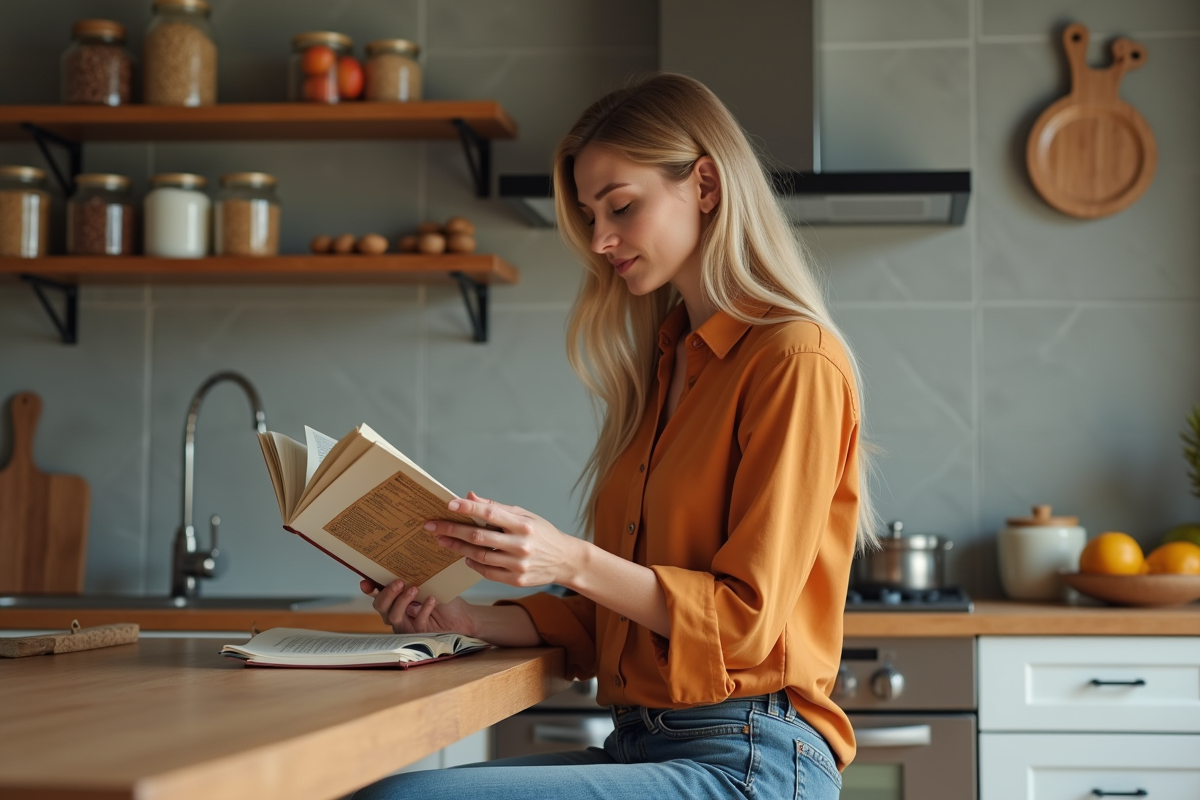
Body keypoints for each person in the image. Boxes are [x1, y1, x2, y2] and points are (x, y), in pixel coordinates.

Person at [352, 72, 877, 800]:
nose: (600, 240)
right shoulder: (668, 364)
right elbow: (617, 623)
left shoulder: (792, 358)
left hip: (753, 756)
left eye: (621, 207)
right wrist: (462, 618)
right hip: (646, 745)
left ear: (705, 185)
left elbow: (742, 626)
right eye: (591, 215)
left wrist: (565, 556)